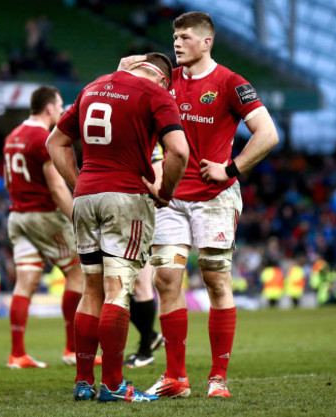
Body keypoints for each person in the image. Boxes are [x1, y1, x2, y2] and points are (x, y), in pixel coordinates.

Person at [120, 11, 279, 399]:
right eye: (175, 36)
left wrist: (231, 169)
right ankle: (176, 377)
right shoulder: (164, 82)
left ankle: (218, 378)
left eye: (186, 37)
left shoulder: (231, 84)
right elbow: (119, 102)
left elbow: (268, 133)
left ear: (207, 42)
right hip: (171, 197)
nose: (177, 43)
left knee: (215, 280)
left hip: (214, 198)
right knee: (166, 280)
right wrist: (121, 72)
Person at [46, 52, 189, 402]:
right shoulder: (157, 94)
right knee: (117, 290)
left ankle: (83, 383)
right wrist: (165, 192)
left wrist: (80, 182)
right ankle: (113, 385)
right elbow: (179, 151)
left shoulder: (93, 87)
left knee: (91, 290)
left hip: (86, 197)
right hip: (126, 197)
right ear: (163, 78)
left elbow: (55, 143)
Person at [3, 85, 86, 369]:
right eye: (60, 105)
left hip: (17, 216)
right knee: (77, 272)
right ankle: (72, 350)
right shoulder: (44, 138)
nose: (62, 110)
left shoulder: (12, 136)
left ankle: (17, 354)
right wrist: (78, 216)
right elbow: (57, 187)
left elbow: (7, 181)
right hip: (43, 216)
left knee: (26, 280)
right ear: (49, 107)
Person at [124, 144, 166, 369]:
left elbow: (157, 178)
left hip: (139, 216)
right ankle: (149, 336)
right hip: (117, 215)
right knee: (112, 286)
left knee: (140, 285)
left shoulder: (149, 141)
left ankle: (145, 350)